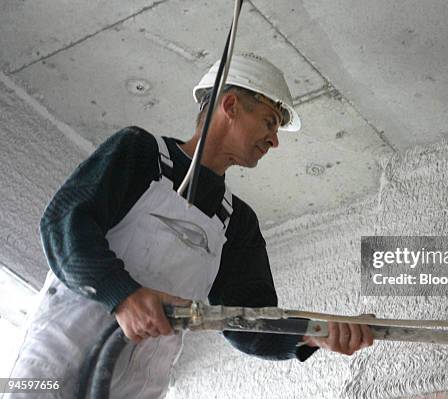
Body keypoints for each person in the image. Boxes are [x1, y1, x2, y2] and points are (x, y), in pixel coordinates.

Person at [6, 53, 373, 398]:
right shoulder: (140, 154)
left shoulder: (237, 222)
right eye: (269, 122)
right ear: (229, 106)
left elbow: (247, 321)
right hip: (50, 371)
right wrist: (121, 295)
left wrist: (312, 334)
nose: (274, 141)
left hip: (135, 389)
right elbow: (64, 222)